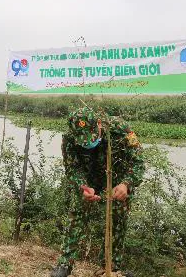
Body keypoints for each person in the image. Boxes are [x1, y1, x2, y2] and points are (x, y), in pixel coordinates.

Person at [50, 107, 145, 277]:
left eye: (91, 137)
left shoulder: (120, 129)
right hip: (88, 184)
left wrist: (126, 184)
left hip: (117, 184)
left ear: (99, 124)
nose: (87, 143)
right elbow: (72, 168)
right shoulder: (70, 138)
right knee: (76, 216)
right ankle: (65, 264)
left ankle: (110, 267)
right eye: (83, 141)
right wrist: (83, 186)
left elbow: (138, 162)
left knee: (117, 221)